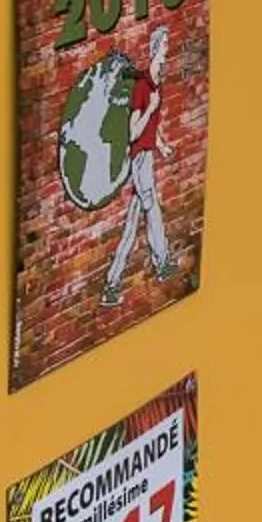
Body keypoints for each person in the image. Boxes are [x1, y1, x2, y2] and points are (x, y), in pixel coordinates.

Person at [102, 21, 180, 307]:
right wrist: (149, 107)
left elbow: (152, 126)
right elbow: (133, 132)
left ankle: (111, 285)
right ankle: (163, 263)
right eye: (165, 48)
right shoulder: (142, 88)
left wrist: (161, 144)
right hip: (139, 158)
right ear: (156, 49)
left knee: (131, 225)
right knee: (153, 208)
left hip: (148, 153)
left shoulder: (156, 84)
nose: (168, 54)